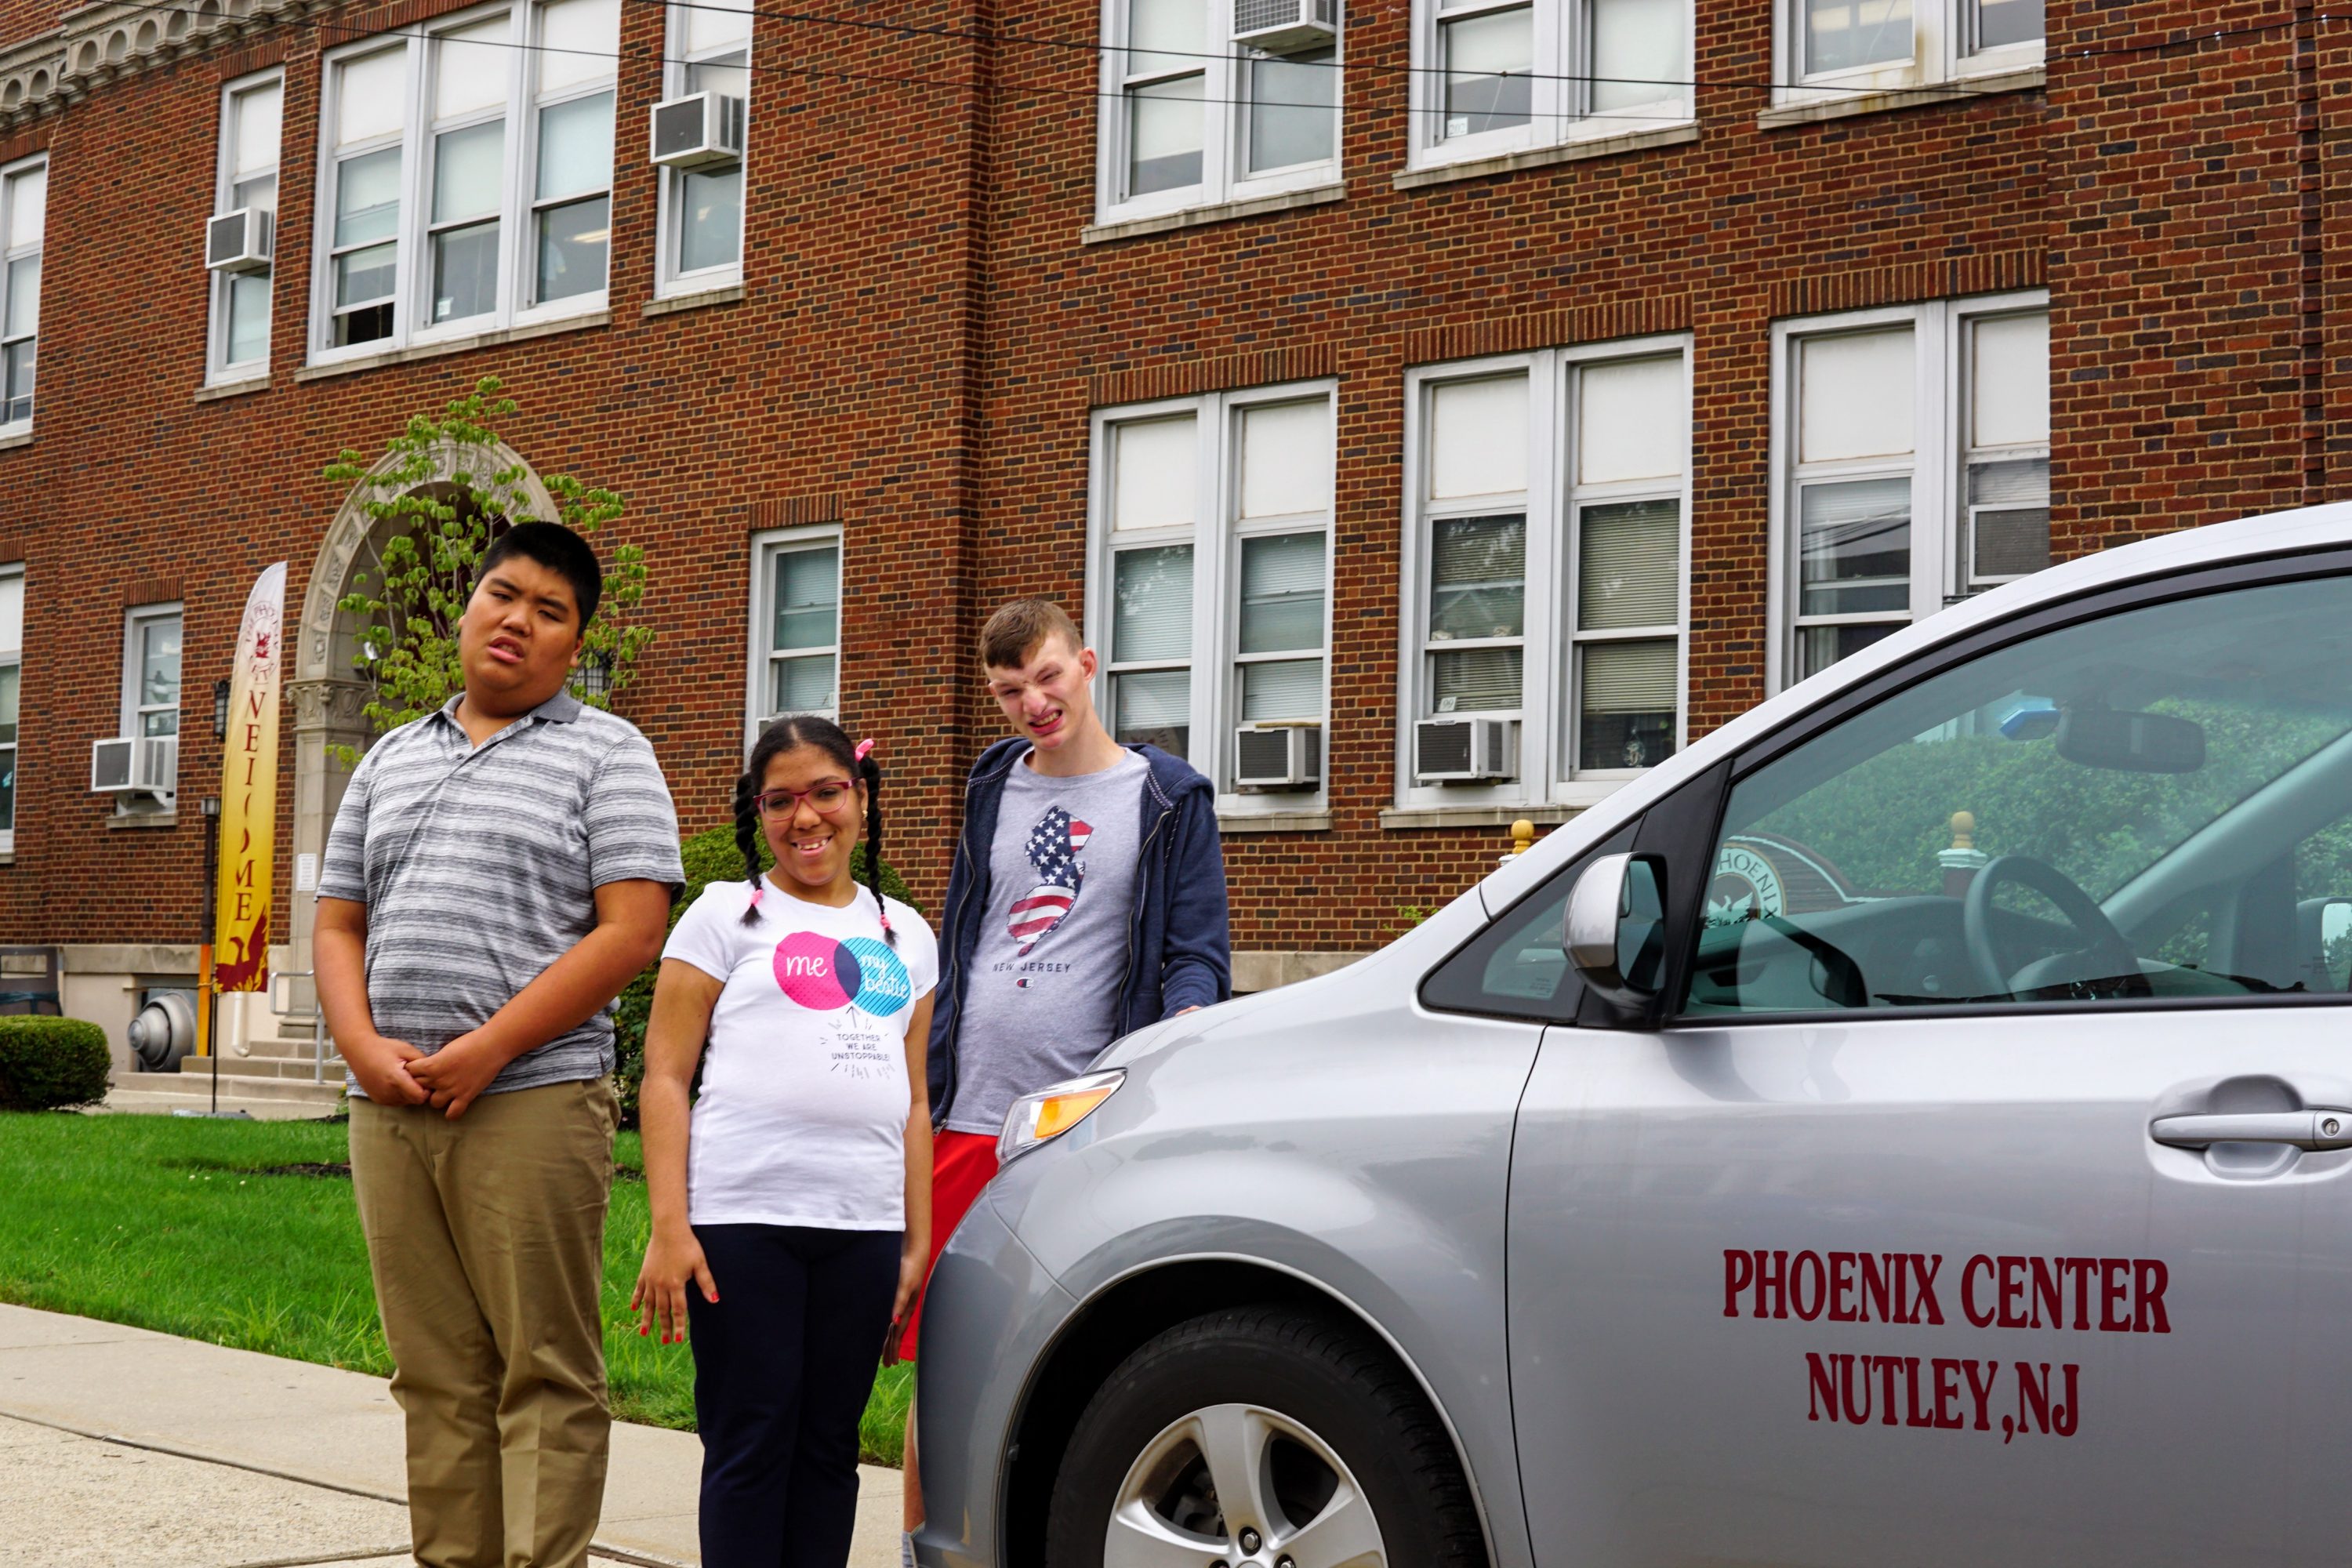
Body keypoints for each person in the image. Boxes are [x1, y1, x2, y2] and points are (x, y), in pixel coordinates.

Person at [314, 522, 684, 1568]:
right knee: (433, 1374)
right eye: (502, 595)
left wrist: (485, 1049)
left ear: (575, 647)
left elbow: (632, 930)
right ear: (468, 608)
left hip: (531, 1100)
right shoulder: (392, 755)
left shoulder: (607, 752)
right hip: (390, 1108)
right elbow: (339, 922)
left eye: (550, 611)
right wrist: (360, 1045)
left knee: (545, 1374)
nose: (517, 619)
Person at [899, 597, 1231, 1555]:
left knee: (1065, 1349)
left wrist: (1183, 1030)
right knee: (946, 1367)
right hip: (966, 1113)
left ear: (1086, 664)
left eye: (1047, 678)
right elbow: (970, 929)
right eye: (1011, 691)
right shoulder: (992, 783)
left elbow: (1197, 952)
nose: (1034, 702)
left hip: (1078, 1123)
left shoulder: (1167, 797)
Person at [630, 715, 936, 1568]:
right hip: (740, 1222)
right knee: (751, 1441)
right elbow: (664, 1076)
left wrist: (915, 1241)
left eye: (827, 792)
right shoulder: (725, 915)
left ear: (862, 800)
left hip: (862, 1228)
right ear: (757, 813)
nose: (807, 817)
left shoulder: (905, 933)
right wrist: (669, 1224)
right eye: (782, 799)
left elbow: (916, 1099)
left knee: (831, 1445)